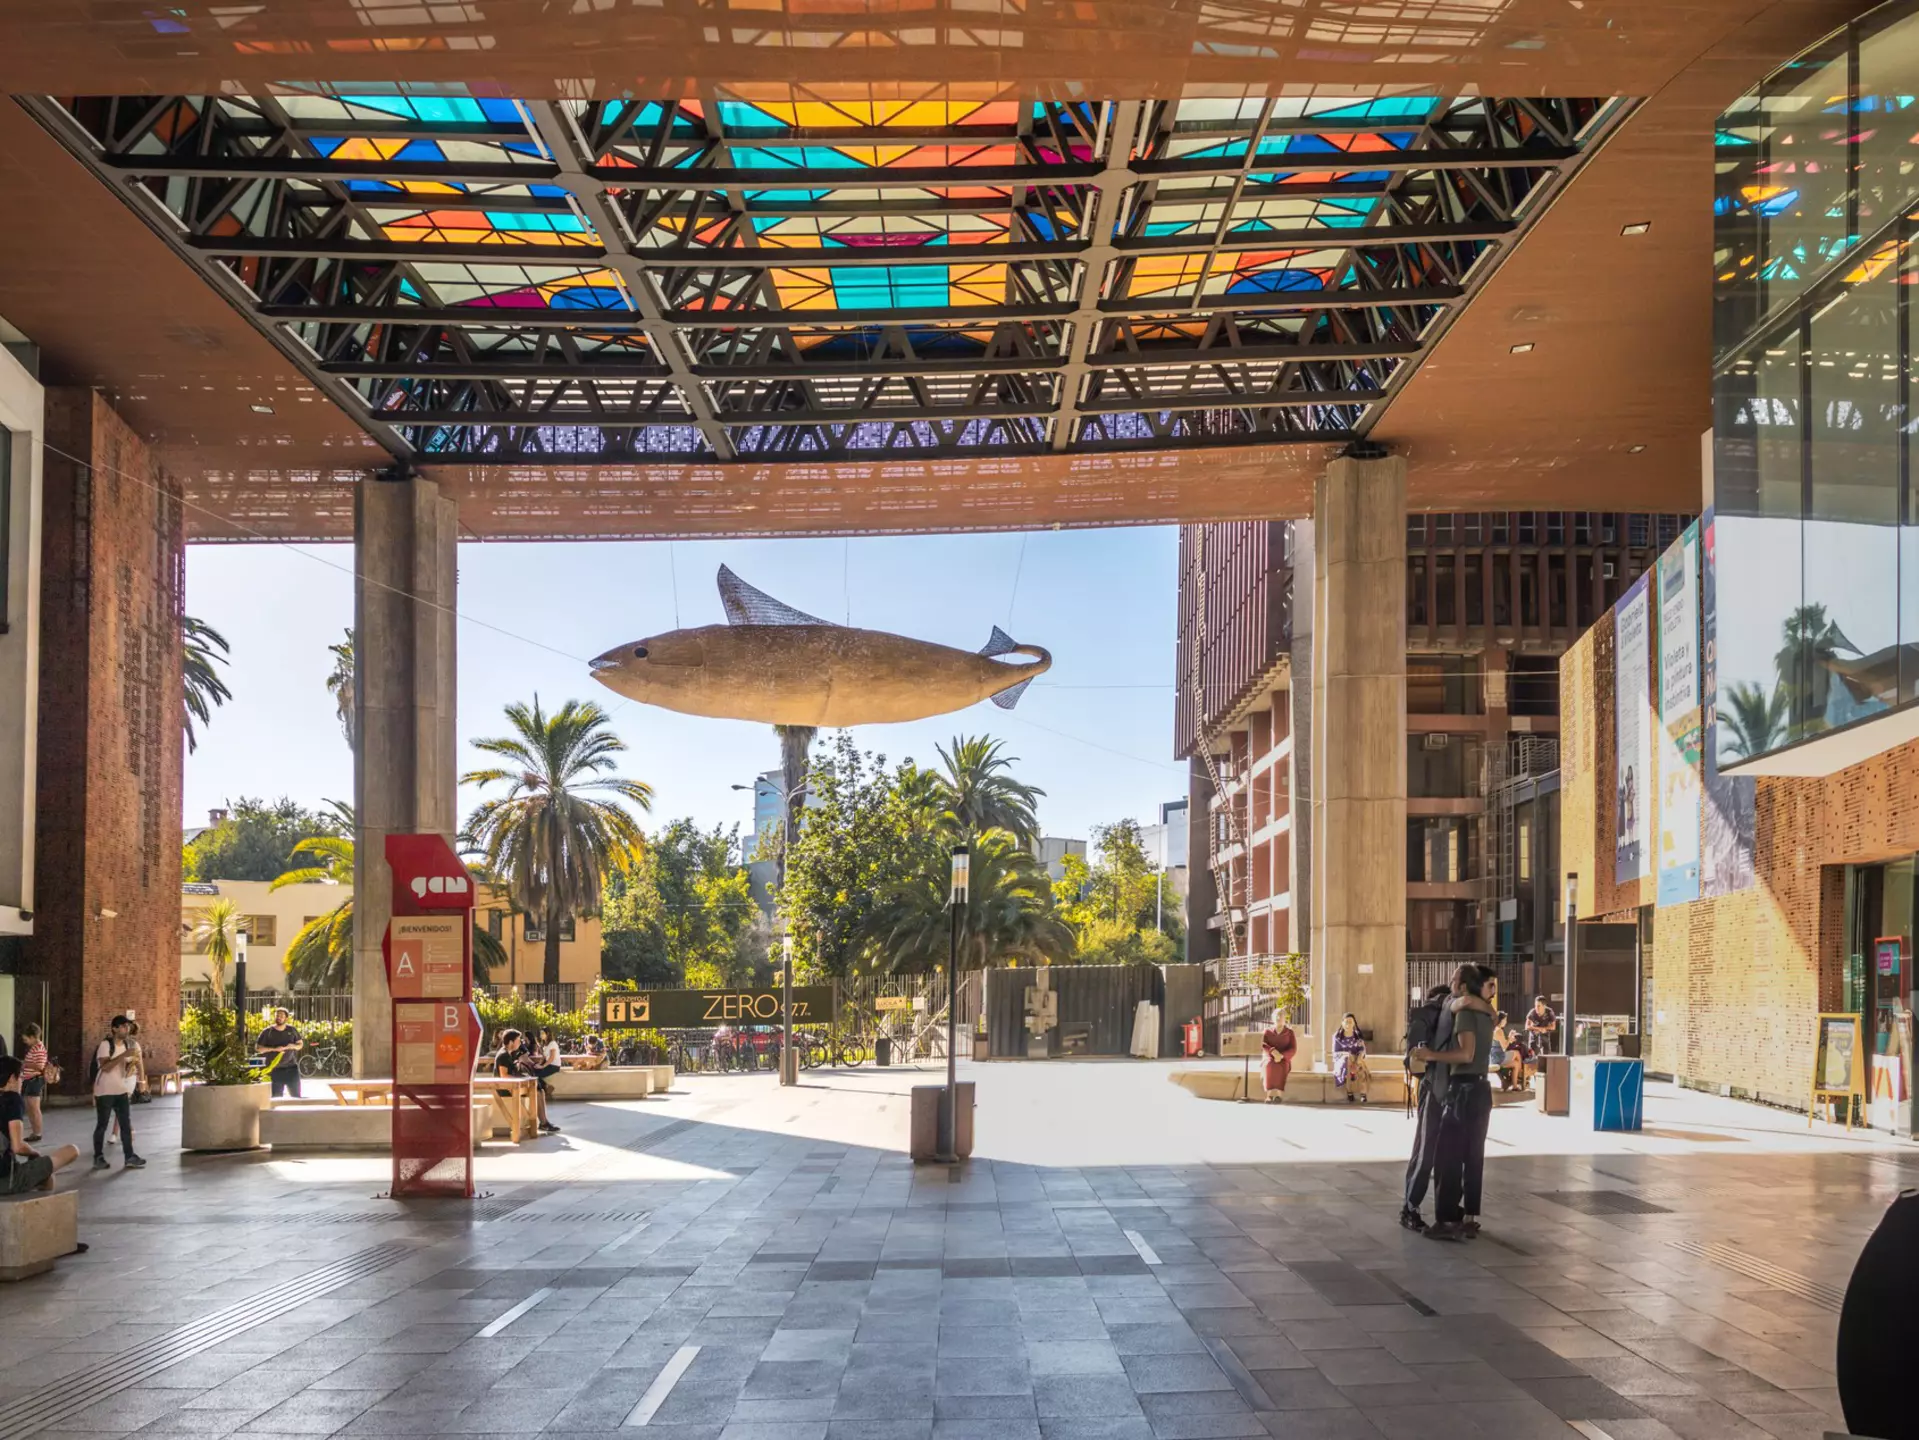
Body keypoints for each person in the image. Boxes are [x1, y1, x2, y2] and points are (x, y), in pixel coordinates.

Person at [1415, 966, 1498, 1241]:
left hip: (1463, 1089)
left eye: (1453, 981)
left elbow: (1465, 1053)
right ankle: (1470, 1216)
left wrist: (1431, 1054)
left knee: (1447, 1157)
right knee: (1473, 1156)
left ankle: (1447, 1220)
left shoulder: (1465, 1012)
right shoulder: (1488, 1013)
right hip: (1483, 1090)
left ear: (1463, 987)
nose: (1449, 984)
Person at [1402, 979, 1459, 1232]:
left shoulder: (1425, 1015)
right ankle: (1412, 1208)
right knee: (1434, 1153)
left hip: (1434, 1088)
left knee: (1425, 1152)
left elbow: (1414, 1061)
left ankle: (1411, 1208)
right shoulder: (1447, 1012)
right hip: (1448, 1089)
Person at [1, 1056, 78, 1193]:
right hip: (6, 1180)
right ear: (12, 1078)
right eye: (21, 1078)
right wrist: (34, 1153)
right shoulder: (12, 1100)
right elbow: (18, 1146)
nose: (21, 1082)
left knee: (43, 1173)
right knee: (72, 1151)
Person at [91, 1016, 145, 1170]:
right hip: (105, 1091)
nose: (126, 1029)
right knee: (102, 1124)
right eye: (122, 1026)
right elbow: (105, 1067)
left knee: (125, 1125)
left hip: (121, 1089)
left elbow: (125, 1067)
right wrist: (124, 1055)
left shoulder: (128, 1044)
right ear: (114, 1029)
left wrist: (132, 1067)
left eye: (127, 1026)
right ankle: (98, 1157)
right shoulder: (105, 1045)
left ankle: (129, 1156)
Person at [256, 1008, 304, 1098]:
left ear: (286, 1018)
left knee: (296, 1096)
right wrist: (274, 1049)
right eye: (277, 1016)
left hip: (291, 1068)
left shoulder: (292, 1030)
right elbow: (259, 1048)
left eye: (281, 1016)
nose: (279, 1018)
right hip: (274, 1069)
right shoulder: (267, 1032)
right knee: (276, 1097)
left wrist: (292, 1046)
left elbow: (300, 1044)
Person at [17, 1023, 49, 1142]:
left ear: (33, 1037)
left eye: (26, 1039)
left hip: (34, 1080)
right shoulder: (35, 1048)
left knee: (34, 1108)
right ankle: (35, 1131)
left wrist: (24, 1063)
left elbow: (40, 1066)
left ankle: (37, 1132)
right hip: (30, 1080)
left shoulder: (39, 1048)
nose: (25, 1041)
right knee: (30, 1107)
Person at [531, 1027, 563, 1133]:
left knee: (536, 1075)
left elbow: (552, 1058)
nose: (541, 1035)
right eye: (540, 1033)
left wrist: (543, 1066)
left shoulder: (552, 1043)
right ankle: (546, 1086)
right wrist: (539, 1064)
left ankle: (545, 1087)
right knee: (534, 1072)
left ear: (548, 1034)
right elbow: (544, 1057)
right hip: (548, 1064)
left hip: (554, 1066)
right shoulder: (545, 1044)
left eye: (543, 1033)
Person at [1332, 1013, 1369, 1103]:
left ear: (1354, 1023)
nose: (1348, 1024)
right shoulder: (1337, 1037)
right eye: (1346, 1022)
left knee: (1360, 1066)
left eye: (1350, 1022)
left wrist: (1357, 1060)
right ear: (1342, 1023)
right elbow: (1336, 1053)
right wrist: (1348, 1057)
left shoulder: (1357, 1036)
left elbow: (1362, 1050)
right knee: (1348, 1060)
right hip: (1343, 1061)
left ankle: (1363, 1093)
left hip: (1357, 1060)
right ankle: (1349, 1091)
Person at [1261, 1015, 1297, 1103]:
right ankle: (1268, 1096)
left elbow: (1293, 1049)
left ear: (1285, 1019)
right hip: (1270, 1056)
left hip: (1283, 1058)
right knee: (1269, 1065)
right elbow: (1263, 1044)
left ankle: (1278, 1095)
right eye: (1277, 1017)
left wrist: (1281, 1056)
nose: (1279, 1019)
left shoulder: (1290, 1032)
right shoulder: (1267, 1031)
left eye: (1281, 1017)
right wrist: (1272, 1051)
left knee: (1282, 1066)